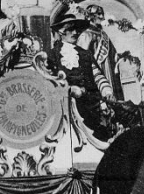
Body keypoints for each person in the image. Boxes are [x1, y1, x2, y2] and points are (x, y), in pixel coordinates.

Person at [47, 12, 117, 141]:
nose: (75, 32)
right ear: (61, 32)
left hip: (90, 107)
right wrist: (70, 89)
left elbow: (97, 75)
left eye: (76, 29)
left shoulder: (85, 54)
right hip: (63, 109)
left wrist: (107, 91)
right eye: (70, 29)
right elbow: (48, 82)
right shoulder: (51, 55)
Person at [77, 5, 125, 101]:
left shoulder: (103, 34)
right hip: (96, 72)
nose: (102, 16)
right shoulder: (86, 34)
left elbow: (112, 54)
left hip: (109, 71)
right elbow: (82, 58)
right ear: (90, 16)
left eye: (102, 14)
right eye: (98, 14)